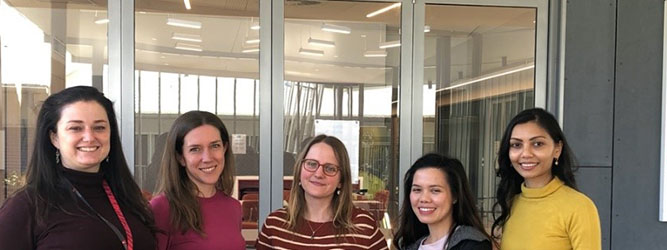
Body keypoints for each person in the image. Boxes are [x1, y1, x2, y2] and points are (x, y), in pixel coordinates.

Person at [0, 86, 157, 250]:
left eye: (99, 127)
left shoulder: (129, 198)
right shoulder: (27, 207)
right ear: (54, 138)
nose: (89, 137)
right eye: (75, 128)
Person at [492, 108, 601, 250]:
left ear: (557, 149)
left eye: (537, 144)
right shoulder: (512, 203)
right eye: (516, 145)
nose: (526, 153)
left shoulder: (579, 207)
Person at [256, 134, 387, 250]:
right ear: (299, 171)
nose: (318, 174)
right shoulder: (275, 224)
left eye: (330, 168)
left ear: (341, 180)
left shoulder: (363, 225)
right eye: (312, 164)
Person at [149, 111, 244, 250]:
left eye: (215, 146)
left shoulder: (234, 207)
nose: (207, 158)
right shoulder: (161, 209)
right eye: (195, 149)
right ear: (180, 157)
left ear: (225, 148)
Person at [394, 153, 496, 250]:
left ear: (455, 196)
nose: (424, 198)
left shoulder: (472, 244)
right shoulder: (411, 245)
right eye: (417, 190)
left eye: (435, 190)